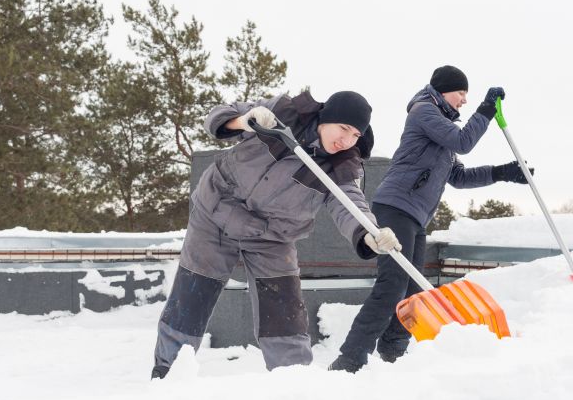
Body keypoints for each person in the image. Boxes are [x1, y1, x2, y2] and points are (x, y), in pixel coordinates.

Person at [151, 89, 402, 379]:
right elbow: (216, 117)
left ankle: (293, 381)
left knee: (284, 313)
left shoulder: (342, 166)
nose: (346, 140)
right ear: (326, 118)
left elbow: (351, 204)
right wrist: (244, 121)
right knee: (194, 293)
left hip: (271, 237)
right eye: (344, 128)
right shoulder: (283, 113)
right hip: (216, 211)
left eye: (356, 135)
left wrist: (368, 233)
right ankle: (167, 373)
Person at [328, 65, 532, 373]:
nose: (464, 100)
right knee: (392, 284)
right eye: (461, 93)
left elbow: (460, 177)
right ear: (445, 90)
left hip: (415, 217)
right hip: (396, 207)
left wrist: (502, 173)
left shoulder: (442, 131)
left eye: (467, 96)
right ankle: (350, 358)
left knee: (414, 292)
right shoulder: (424, 111)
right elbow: (464, 141)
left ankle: (393, 349)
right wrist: (486, 110)